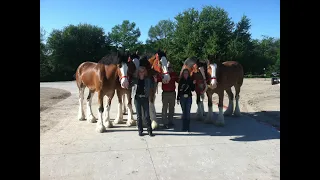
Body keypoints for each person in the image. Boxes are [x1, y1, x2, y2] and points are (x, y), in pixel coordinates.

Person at [132, 66, 154, 136]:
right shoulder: (135, 80)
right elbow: (129, 86)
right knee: (139, 116)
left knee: (147, 115)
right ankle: (140, 130)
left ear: (145, 72)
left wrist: (155, 80)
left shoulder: (148, 80)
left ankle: (149, 130)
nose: (141, 73)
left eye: (143, 71)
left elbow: (152, 86)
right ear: (138, 72)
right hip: (137, 99)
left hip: (145, 98)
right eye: (140, 71)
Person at [155, 62, 179, 129]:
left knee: (172, 108)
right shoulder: (163, 75)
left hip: (172, 93)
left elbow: (178, 80)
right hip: (165, 93)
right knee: (164, 108)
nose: (170, 69)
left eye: (171, 68)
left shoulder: (174, 74)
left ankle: (170, 121)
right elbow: (158, 79)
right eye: (168, 68)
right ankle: (164, 122)